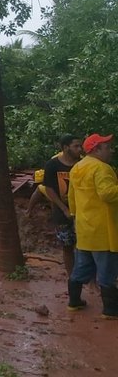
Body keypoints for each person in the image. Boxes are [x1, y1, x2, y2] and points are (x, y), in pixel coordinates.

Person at [67, 133, 118, 318]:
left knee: (81, 268)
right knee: (107, 272)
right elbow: (107, 194)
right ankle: (111, 310)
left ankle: (74, 302)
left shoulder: (77, 168)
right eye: (107, 147)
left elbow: (71, 198)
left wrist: (74, 216)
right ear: (96, 149)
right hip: (104, 231)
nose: (110, 150)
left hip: (85, 229)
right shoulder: (102, 168)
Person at [40, 135, 84, 275]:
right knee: (67, 246)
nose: (80, 149)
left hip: (83, 212)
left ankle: (89, 279)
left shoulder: (82, 164)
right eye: (76, 146)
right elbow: (49, 189)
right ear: (66, 148)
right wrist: (64, 208)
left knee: (86, 247)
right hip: (61, 212)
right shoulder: (52, 165)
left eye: (80, 146)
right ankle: (72, 278)